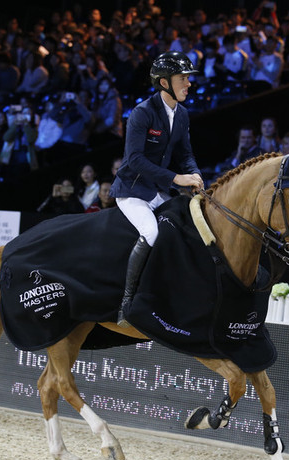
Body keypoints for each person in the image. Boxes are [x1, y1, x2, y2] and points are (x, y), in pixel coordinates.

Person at [109, 51, 204, 327]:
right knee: (151, 232)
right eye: (182, 78)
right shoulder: (142, 113)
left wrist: (194, 174)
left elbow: (185, 154)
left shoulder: (182, 114)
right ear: (164, 83)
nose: (188, 84)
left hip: (159, 189)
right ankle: (126, 304)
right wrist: (177, 179)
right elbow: (135, 160)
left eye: (188, 78)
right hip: (132, 189)